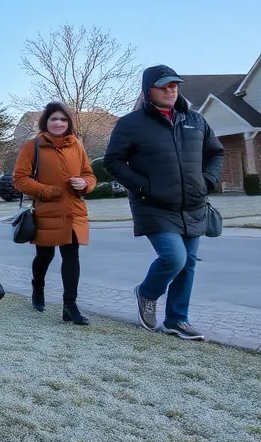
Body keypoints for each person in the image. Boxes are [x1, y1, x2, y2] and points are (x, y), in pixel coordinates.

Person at [104, 65, 225, 341]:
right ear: (149, 91)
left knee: (189, 263)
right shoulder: (130, 124)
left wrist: (207, 181)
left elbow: (216, 153)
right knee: (174, 258)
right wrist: (144, 186)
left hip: (193, 204)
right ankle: (147, 293)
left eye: (175, 85)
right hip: (153, 205)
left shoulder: (194, 120)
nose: (171, 90)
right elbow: (112, 162)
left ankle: (177, 320)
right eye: (164, 86)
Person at [12, 103, 97, 325]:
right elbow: (20, 179)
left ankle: (70, 306)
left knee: (72, 255)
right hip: (47, 210)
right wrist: (47, 191)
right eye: (54, 119)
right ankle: (37, 288)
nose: (58, 123)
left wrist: (85, 183)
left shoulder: (76, 145)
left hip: (74, 210)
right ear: (45, 122)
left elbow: (89, 174)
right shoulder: (33, 146)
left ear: (69, 122)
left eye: (63, 119)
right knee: (45, 256)